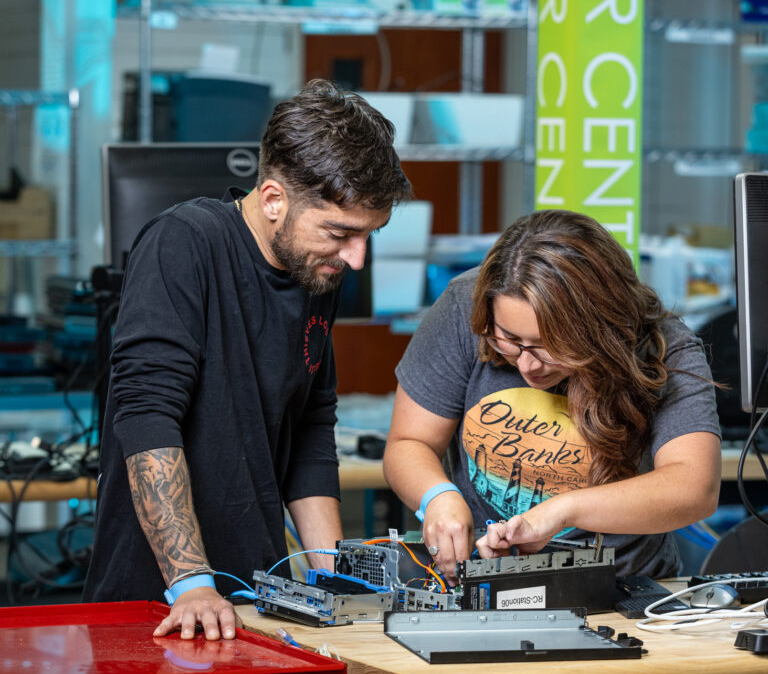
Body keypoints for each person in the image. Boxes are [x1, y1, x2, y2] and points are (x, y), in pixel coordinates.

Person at [82, 79, 412, 639]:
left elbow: (310, 425)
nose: (356, 258)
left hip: (253, 602)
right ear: (274, 198)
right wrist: (191, 583)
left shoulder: (315, 271)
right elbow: (146, 417)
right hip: (157, 605)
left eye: (368, 236)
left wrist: (339, 581)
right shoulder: (183, 243)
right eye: (340, 233)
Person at [383, 209, 721, 583]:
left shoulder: (664, 344)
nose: (528, 366)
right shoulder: (464, 307)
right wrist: (438, 497)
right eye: (510, 340)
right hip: (486, 582)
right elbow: (409, 442)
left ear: (602, 329)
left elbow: (695, 487)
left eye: (550, 347)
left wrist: (562, 511)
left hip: (625, 588)